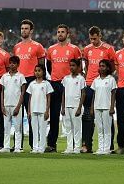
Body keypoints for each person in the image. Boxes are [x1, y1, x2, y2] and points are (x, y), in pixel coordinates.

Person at [46, 24, 82, 152]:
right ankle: (51, 144)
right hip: (55, 83)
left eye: (62, 32)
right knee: (54, 115)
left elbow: (79, 67)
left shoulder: (74, 49)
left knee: (73, 116)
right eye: (58, 32)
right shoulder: (51, 49)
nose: (60, 34)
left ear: (68, 34)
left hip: (71, 84)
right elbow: (49, 67)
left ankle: (76, 145)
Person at [13, 19, 46, 150]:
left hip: (32, 81)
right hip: (18, 82)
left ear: (31, 31)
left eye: (26, 28)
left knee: (32, 114)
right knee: (18, 115)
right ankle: (17, 145)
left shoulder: (38, 46)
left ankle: (35, 145)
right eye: (22, 28)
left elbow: (42, 65)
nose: (24, 31)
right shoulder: (16, 47)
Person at [82, 26, 116, 153]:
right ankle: (87, 145)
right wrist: (87, 78)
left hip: (105, 85)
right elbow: (86, 65)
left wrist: (105, 77)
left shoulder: (108, 49)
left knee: (108, 117)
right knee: (88, 116)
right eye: (91, 39)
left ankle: (109, 146)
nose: (93, 41)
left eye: (95, 39)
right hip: (90, 84)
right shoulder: (87, 49)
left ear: (100, 36)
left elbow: (112, 66)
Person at [0, 55, 26, 153]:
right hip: (6, 105)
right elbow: (2, 91)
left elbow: (23, 92)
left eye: (14, 63)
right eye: (10, 63)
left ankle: (18, 147)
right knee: (6, 127)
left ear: (18, 65)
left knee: (17, 127)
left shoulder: (21, 76)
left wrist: (18, 106)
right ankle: (6, 146)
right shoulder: (4, 76)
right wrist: (2, 106)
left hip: (16, 105)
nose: (11, 65)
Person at [90, 59, 117, 155]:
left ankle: (106, 148)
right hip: (97, 106)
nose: (101, 68)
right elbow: (94, 94)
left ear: (108, 68)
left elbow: (113, 93)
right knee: (100, 128)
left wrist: (112, 107)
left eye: (103, 66)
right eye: (100, 66)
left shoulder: (111, 79)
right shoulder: (96, 80)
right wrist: (92, 107)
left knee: (107, 129)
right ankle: (100, 148)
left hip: (107, 106)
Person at [61, 58, 86, 154]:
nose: (71, 67)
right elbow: (63, 93)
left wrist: (80, 107)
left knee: (77, 128)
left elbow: (83, 93)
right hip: (67, 106)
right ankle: (69, 147)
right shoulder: (66, 78)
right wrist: (63, 107)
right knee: (68, 128)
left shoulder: (81, 79)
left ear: (78, 67)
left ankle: (77, 147)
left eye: (74, 65)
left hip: (76, 106)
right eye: (70, 65)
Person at [26, 65, 53, 154]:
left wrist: (47, 110)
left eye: (39, 70)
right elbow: (30, 98)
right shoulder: (32, 84)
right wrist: (29, 111)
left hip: (43, 110)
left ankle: (41, 147)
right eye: (36, 70)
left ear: (43, 72)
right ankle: (35, 147)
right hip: (33, 110)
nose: (37, 72)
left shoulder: (46, 84)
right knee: (34, 130)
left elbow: (48, 98)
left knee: (42, 130)